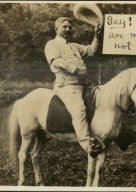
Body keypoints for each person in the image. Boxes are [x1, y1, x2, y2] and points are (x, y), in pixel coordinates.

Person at [44, 17, 104, 157]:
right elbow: (56, 61)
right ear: (56, 29)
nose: (68, 29)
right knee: (79, 110)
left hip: (83, 84)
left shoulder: (73, 46)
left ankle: (119, 134)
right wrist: (76, 70)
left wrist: (96, 36)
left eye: (70, 27)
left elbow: (90, 51)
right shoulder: (51, 44)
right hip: (66, 86)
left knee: (105, 100)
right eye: (64, 26)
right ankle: (87, 144)